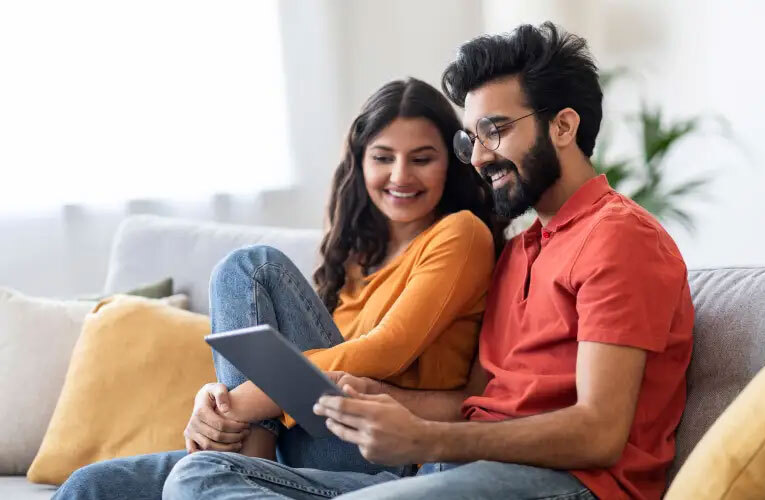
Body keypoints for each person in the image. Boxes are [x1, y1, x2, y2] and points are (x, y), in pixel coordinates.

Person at [163, 22, 694, 500]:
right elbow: (475, 400)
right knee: (183, 477)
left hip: (566, 484)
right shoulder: (521, 251)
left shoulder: (620, 238)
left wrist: (427, 437)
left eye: (497, 130)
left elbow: (599, 433)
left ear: (563, 126)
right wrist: (386, 399)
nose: (481, 156)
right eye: (474, 138)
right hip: (454, 466)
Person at [52, 77, 505, 500]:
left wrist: (244, 401)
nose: (400, 176)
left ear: (453, 162)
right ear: (361, 161)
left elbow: (386, 351)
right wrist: (216, 399)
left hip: (378, 452)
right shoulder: (352, 255)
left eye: (422, 158)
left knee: (253, 266)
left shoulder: (461, 234)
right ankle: (251, 462)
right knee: (91, 485)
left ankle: (248, 461)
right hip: (302, 444)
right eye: (383, 157)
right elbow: (272, 351)